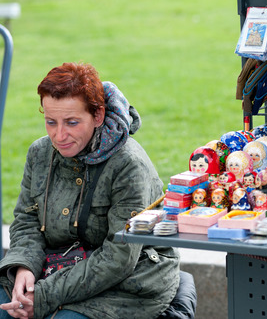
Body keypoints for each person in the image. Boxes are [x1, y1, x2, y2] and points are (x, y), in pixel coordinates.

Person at [0, 62, 182, 318]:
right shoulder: (39, 153)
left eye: (72, 123)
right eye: (50, 122)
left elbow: (119, 257)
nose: (59, 135)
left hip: (127, 283)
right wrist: (24, 268)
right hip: (53, 268)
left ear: (98, 116)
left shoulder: (129, 165)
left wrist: (43, 295)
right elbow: (27, 220)